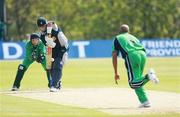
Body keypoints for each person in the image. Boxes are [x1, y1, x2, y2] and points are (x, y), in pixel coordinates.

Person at [112, 24, 159, 108]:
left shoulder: (117, 38)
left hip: (132, 55)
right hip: (142, 54)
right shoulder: (133, 37)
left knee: (133, 83)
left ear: (119, 31)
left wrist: (116, 72)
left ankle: (149, 76)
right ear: (128, 31)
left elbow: (114, 55)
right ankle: (145, 101)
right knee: (137, 79)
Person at [37, 17, 68, 92]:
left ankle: (54, 85)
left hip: (61, 50)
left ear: (46, 24)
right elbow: (47, 45)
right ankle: (58, 82)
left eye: (44, 26)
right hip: (52, 52)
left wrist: (53, 23)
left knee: (57, 66)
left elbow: (55, 26)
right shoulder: (41, 36)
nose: (42, 28)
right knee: (50, 68)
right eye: (40, 27)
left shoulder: (53, 28)